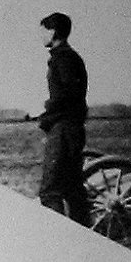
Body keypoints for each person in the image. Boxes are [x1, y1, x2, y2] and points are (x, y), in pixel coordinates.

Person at [37, 12, 89, 225]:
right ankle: (85, 233)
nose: (40, 37)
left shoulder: (63, 59)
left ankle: (60, 237)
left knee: (50, 191)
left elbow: (67, 96)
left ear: (52, 32)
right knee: (72, 187)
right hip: (71, 127)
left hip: (64, 129)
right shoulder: (67, 57)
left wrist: (47, 112)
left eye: (42, 31)